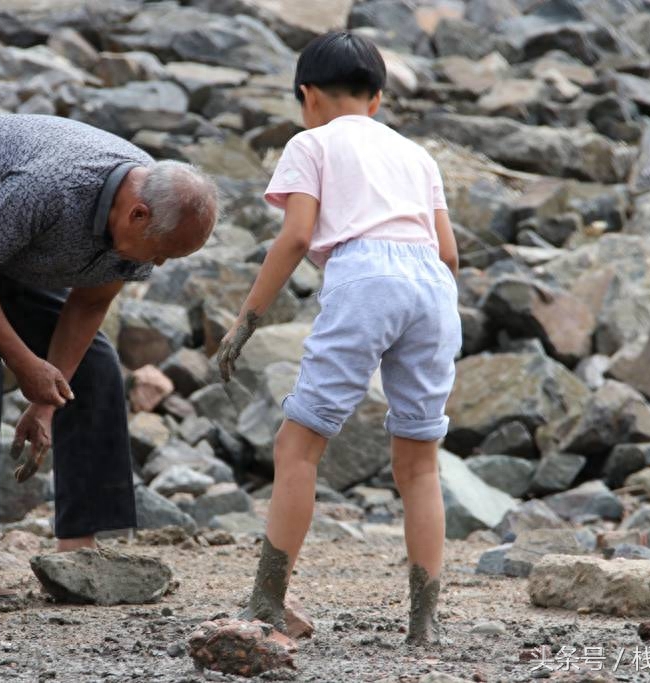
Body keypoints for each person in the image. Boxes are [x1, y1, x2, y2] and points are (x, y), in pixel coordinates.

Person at [0, 114, 218, 608]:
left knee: (93, 367)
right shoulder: (51, 187)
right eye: (162, 253)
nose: (157, 265)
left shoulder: (144, 215)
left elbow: (89, 304)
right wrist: (25, 364)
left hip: (6, 234)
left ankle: (78, 554)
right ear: (137, 216)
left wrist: (46, 404)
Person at [216, 32, 460, 646]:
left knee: (298, 446)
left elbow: (296, 237)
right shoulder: (416, 155)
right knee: (419, 463)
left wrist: (245, 321)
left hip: (365, 277)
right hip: (431, 285)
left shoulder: (311, 142)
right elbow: (449, 253)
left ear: (308, 95)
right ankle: (424, 623)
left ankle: (267, 601)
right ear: (376, 99)